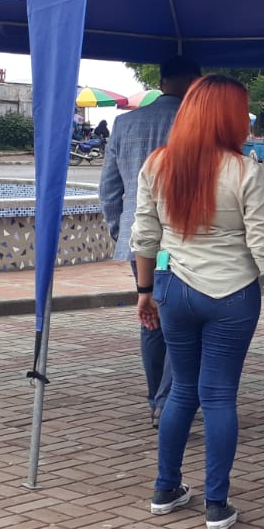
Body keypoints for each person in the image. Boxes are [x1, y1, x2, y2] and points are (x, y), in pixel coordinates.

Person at [131, 74, 264, 529]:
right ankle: (216, 505)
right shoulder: (244, 170)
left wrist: (144, 291)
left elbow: (144, 236)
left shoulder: (157, 164)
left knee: (183, 389)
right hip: (232, 295)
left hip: (173, 289)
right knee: (219, 395)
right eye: (242, 111)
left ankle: (165, 489)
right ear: (227, 117)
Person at [101, 56, 202, 422]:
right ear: (194, 82)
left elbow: (109, 189)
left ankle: (156, 398)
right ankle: (168, 402)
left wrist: (121, 230)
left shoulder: (125, 124)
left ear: (161, 82)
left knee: (151, 315)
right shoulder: (197, 123)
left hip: (138, 240)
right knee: (184, 319)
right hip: (184, 239)